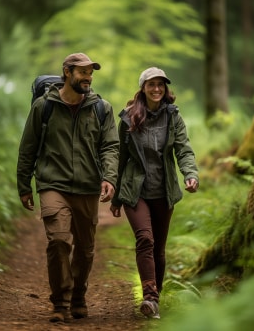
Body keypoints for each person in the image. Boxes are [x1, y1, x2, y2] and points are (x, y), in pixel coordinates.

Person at [17, 53, 119, 323]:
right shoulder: (44, 106)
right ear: (67, 72)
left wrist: (109, 178)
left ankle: (78, 296)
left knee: (85, 249)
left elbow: (110, 146)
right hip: (53, 183)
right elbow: (28, 147)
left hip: (87, 186)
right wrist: (23, 185)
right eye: (82, 72)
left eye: (90, 73)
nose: (88, 77)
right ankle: (60, 302)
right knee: (60, 240)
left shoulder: (102, 108)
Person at [110, 67, 199, 320]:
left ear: (165, 88)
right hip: (135, 190)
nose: (157, 89)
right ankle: (149, 296)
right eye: (152, 85)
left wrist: (190, 174)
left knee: (159, 248)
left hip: (163, 190)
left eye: (161, 84)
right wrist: (116, 197)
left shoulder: (173, 117)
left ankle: (154, 300)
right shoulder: (128, 117)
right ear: (143, 88)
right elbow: (121, 158)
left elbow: (184, 149)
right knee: (145, 239)